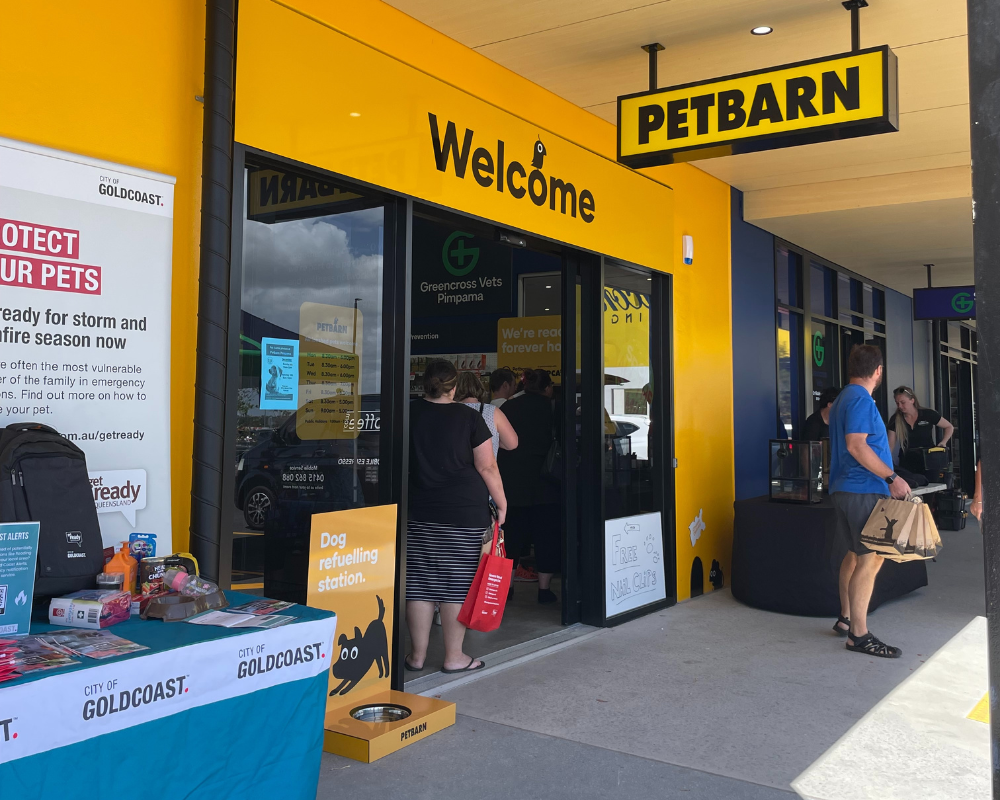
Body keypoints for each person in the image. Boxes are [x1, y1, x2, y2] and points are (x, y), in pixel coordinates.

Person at [404, 360, 507, 674]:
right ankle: (454, 657)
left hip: (418, 510)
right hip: (463, 513)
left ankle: (417, 656)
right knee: (456, 586)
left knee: (419, 585)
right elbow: (487, 467)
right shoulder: (468, 417)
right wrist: (501, 504)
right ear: (454, 386)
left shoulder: (408, 412)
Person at [829, 344, 910, 658]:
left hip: (846, 489)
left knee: (854, 554)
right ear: (878, 371)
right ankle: (859, 636)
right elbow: (856, 446)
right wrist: (892, 477)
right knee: (872, 558)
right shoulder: (861, 399)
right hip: (862, 489)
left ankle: (846, 618)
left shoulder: (843, 399)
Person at [497, 369, 561, 604]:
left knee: (512, 537)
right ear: (546, 388)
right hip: (547, 483)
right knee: (546, 538)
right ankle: (544, 590)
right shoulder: (554, 409)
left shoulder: (508, 408)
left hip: (513, 484)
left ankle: (508, 587)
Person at [887, 386, 954, 476]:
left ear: (912, 400)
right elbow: (890, 445)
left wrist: (943, 442)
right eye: (897, 403)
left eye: (903, 402)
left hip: (929, 459)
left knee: (932, 486)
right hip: (908, 461)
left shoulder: (927, 414)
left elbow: (949, 427)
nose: (900, 406)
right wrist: (886, 462)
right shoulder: (895, 419)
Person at [455, 371, 518, 456]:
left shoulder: (449, 412)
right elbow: (512, 444)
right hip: (486, 466)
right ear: (479, 387)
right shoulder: (492, 411)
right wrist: (493, 441)